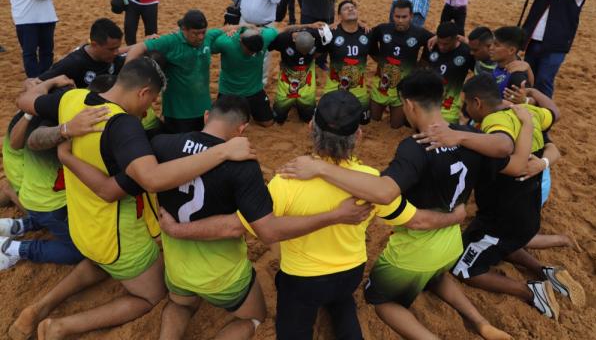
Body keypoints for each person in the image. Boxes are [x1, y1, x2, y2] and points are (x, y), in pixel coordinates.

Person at [59, 94, 371, 340]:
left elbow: (108, 187)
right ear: (241, 130)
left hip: (177, 268)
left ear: (207, 116)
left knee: (180, 303)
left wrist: (65, 155)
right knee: (253, 317)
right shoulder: (242, 168)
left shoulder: (159, 146)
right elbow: (260, 229)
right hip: (222, 277)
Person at [9, 58, 257, 340]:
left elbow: (25, 100)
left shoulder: (73, 99)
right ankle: (61, 327)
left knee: (98, 264)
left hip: (83, 224)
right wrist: (221, 153)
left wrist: (56, 105)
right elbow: (146, 179)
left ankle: (38, 308)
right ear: (143, 92)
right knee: (150, 295)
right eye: (151, 100)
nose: (149, 109)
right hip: (120, 237)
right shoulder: (125, 129)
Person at [278, 74, 518, 340]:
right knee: (435, 276)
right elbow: (511, 155)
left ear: (409, 105)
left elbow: (385, 193)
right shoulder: (470, 136)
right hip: (451, 245)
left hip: (412, 253)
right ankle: (480, 321)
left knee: (379, 298)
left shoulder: (414, 148)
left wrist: (320, 168)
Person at [417, 74, 585, 319]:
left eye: (466, 104)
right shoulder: (527, 112)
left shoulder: (495, 122)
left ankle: (530, 291)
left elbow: (503, 144)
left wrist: (460, 136)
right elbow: (554, 114)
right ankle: (546, 270)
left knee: (463, 268)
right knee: (495, 244)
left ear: (477, 103)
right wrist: (532, 104)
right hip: (526, 211)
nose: (465, 109)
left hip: (503, 219)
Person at [0, 77, 115, 270]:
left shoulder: (33, 117)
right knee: (79, 250)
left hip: (36, 195)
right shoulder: (60, 129)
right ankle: (16, 248)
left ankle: (21, 226)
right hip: (50, 203)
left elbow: (15, 141)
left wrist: (48, 84)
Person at [127, 10, 221, 133]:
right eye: (195, 33)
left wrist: (238, 28)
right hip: (178, 114)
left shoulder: (208, 37)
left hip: (204, 110)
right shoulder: (171, 42)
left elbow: (225, 30)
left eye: (203, 32)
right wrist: (126, 78)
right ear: (184, 29)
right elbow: (137, 48)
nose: (201, 37)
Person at [521, 0, 589, 98]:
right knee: (528, 77)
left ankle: (544, 111)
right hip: (533, 41)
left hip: (555, 44)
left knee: (544, 79)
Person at [370, 0, 434, 128]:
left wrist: (422, 63)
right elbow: (368, 37)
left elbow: (435, 40)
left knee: (396, 126)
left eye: (404, 17)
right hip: (381, 85)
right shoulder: (383, 29)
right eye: (397, 16)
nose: (400, 20)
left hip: (403, 89)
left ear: (411, 16)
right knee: (374, 120)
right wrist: (377, 57)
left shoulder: (419, 33)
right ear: (393, 15)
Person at [211, 26, 279, 127]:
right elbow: (209, 44)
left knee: (267, 123)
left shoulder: (265, 36)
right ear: (240, 41)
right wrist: (225, 30)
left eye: (255, 52)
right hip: (229, 91)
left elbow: (278, 31)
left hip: (254, 90)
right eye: (250, 50)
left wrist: (255, 27)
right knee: (222, 124)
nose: (252, 54)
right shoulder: (226, 42)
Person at [39, 18, 125, 88]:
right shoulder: (73, 63)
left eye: (118, 48)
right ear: (94, 45)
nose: (116, 53)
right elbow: (37, 83)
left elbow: (134, 51)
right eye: (111, 49)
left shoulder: (112, 58)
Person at [323, 0, 371, 125]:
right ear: (339, 16)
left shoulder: (367, 33)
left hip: (358, 87)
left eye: (353, 7)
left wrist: (360, 23)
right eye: (346, 8)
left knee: (365, 121)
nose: (350, 9)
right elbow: (314, 53)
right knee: (330, 121)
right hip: (335, 86)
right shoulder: (331, 33)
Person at [269, 27, 325, 124]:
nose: (304, 54)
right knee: (278, 118)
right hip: (287, 80)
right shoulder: (283, 39)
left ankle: (301, 103)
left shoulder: (318, 36)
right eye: (301, 51)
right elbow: (269, 47)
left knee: (308, 118)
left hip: (306, 79)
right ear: (294, 41)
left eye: (307, 51)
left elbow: (321, 50)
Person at [421, 22, 473, 124]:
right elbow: (422, 66)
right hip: (429, 99)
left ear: (456, 39)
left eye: (446, 44)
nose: (441, 47)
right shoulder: (432, 45)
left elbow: (481, 70)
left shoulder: (466, 52)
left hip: (450, 103)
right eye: (440, 42)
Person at [488, 26, 534, 95]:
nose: (491, 48)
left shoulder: (517, 77)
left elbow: (523, 103)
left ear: (511, 50)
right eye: (491, 43)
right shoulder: (498, 63)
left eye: (496, 45)